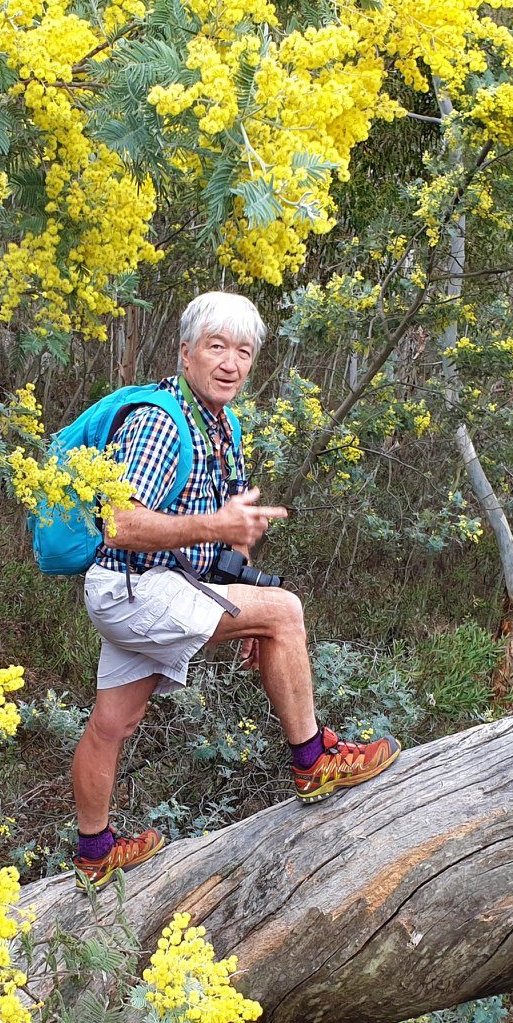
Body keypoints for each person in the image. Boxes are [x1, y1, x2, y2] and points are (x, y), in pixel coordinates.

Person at [71, 289, 401, 883]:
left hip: (148, 587)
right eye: (216, 346)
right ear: (185, 353)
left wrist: (242, 600)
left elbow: (228, 538)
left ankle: (93, 854)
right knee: (285, 611)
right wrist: (238, 574)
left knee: (113, 721)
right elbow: (120, 523)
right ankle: (313, 762)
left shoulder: (223, 426)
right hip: (134, 587)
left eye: (243, 351)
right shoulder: (159, 425)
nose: (231, 363)